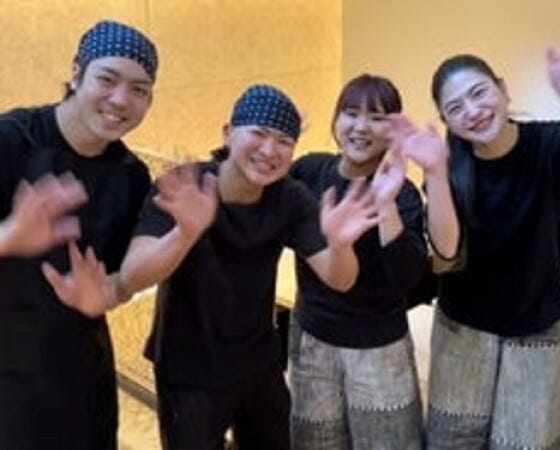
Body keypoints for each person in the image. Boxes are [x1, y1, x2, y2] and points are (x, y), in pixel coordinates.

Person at [117, 84, 380, 450]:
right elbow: (132, 276)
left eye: (284, 141)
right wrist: (184, 233)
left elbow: (340, 279)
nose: (269, 150)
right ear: (228, 133)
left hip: (258, 361)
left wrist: (340, 244)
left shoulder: (290, 197)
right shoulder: (186, 187)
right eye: (258, 133)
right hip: (189, 368)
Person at [390, 20, 560, 450]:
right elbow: (446, 252)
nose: (472, 111)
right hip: (463, 323)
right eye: (455, 108)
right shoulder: (448, 162)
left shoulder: (552, 141)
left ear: (503, 90)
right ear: (447, 121)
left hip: (536, 320)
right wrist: (435, 174)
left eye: (479, 93)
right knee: (453, 439)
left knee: (526, 440)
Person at [0, 20, 157, 449]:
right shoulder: (11, 140)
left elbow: (116, 280)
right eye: (107, 79)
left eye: (139, 89)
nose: (121, 100)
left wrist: (114, 291)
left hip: (81, 372)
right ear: (76, 73)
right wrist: (10, 234)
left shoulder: (131, 176)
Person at [287, 74, 429, 450]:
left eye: (377, 117)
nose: (361, 127)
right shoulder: (309, 171)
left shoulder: (403, 194)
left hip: (379, 347)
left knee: (389, 442)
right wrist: (279, 138)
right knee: (316, 442)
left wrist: (385, 204)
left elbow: (409, 277)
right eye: (351, 113)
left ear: (392, 130)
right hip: (313, 339)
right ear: (336, 119)